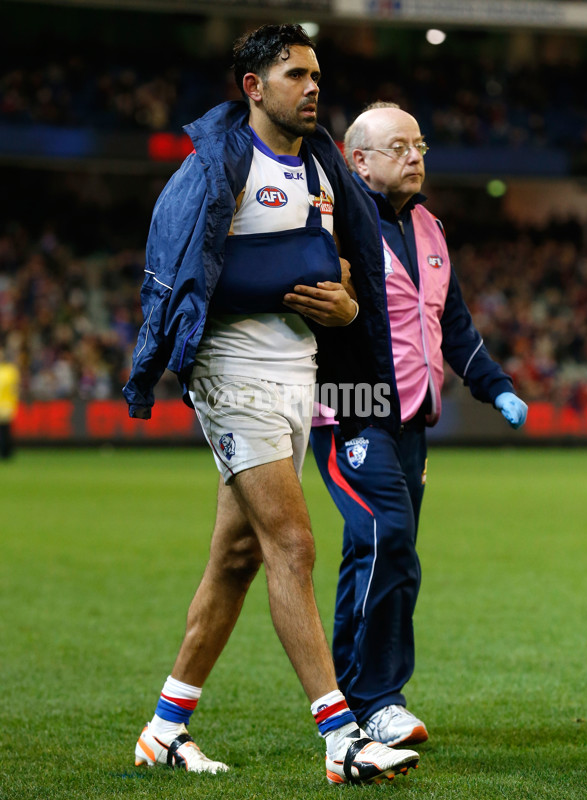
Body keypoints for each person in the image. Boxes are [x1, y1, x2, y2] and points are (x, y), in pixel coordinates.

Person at [123, 28, 420, 784]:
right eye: (295, 74)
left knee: (237, 557)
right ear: (254, 87)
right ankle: (341, 735)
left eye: (316, 73)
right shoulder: (216, 167)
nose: (312, 86)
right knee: (295, 543)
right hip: (231, 377)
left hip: (298, 372)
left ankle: (164, 729)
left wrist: (348, 308)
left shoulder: (323, 167)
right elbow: (180, 273)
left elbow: (346, 271)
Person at [310, 102, 528, 748]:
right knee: (392, 536)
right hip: (351, 407)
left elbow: (452, 324)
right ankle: (378, 698)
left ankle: (350, 693)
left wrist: (496, 386)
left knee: (375, 552)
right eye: (399, 146)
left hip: (411, 421)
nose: (415, 156)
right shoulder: (332, 225)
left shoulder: (430, 226)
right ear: (359, 160)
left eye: (421, 145)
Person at [0, 345, 20, 460]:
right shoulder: (10, 371)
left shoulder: (10, 370)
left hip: (6, 406)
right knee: (4, 431)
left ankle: (6, 453)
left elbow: (14, 389)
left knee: (5, 431)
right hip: (5, 405)